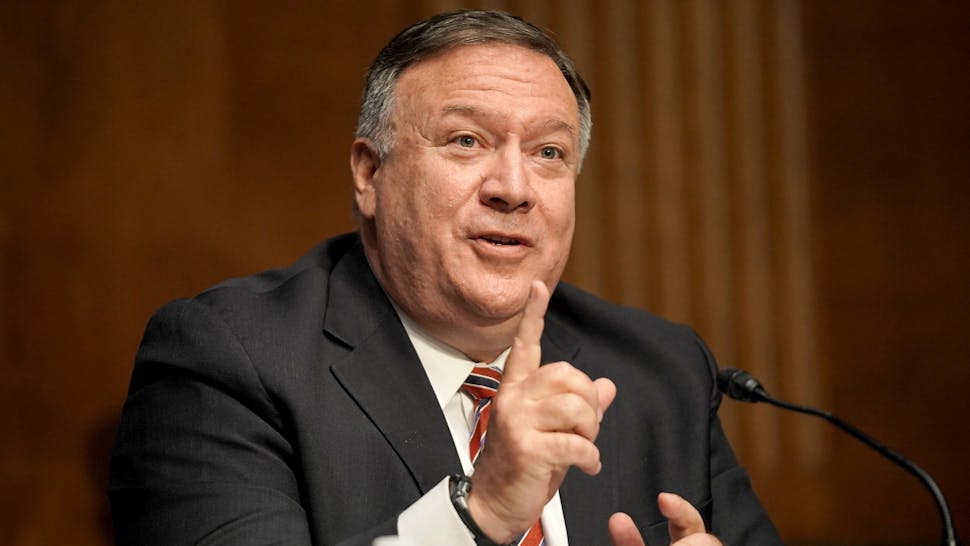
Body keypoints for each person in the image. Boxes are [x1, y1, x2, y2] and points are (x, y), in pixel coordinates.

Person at [109, 9, 782, 546]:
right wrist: (480, 511)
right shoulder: (231, 360)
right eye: (467, 141)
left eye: (548, 152)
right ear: (369, 174)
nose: (514, 189)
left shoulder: (660, 372)